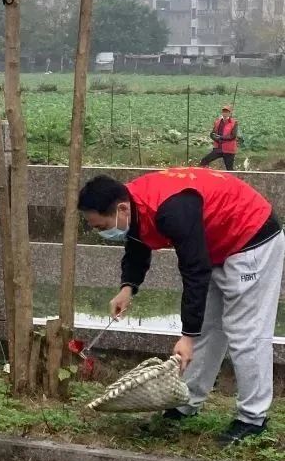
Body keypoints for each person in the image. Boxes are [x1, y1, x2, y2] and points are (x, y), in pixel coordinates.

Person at [77, 167, 282, 444]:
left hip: (250, 237)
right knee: (209, 329)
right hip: (216, 243)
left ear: (121, 209)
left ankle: (253, 418)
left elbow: (194, 269)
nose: (101, 231)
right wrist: (128, 287)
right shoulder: (133, 203)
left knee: (246, 332)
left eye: (101, 226)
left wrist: (186, 336)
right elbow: (137, 243)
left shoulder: (171, 210)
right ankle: (186, 402)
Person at [199, 104, 241, 171]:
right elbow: (212, 134)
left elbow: (233, 136)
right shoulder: (217, 122)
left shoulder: (234, 123)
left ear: (230, 113)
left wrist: (221, 137)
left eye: (227, 112)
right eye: (224, 111)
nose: (225, 113)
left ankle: (230, 181)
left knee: (229, 169)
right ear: (222, 112)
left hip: (229, 150)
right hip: (218, 148)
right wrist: (216, 139)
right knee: (204, 161)